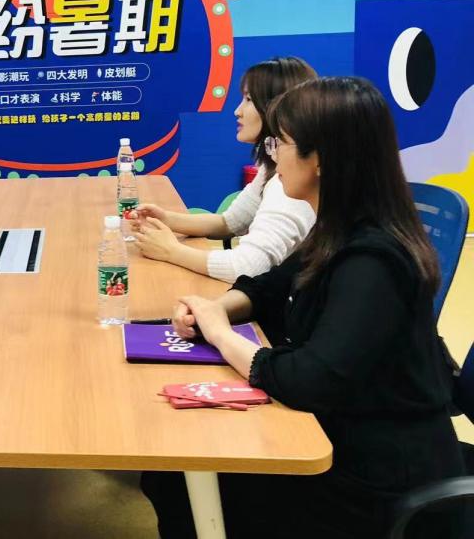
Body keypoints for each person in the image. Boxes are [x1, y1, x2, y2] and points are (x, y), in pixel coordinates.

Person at [143, 77, 465, 539]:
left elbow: (310, 379)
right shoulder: (335, 227)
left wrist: (219, 334)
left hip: (373, 477)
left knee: (183, 481)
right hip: (340, 429)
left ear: (322, 159)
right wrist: (215, 308)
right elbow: (269, 286)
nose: (272, 156)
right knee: (174, 472)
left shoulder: (372, 260)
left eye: (281, 143)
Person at [132, 57, 317, 282]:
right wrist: (167, 219)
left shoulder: (288, 184)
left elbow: (246, 267)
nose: (237, 111)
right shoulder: (270, 168)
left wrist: (172, 251)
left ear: (277, 107)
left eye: (249, 100)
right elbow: (230, 222)